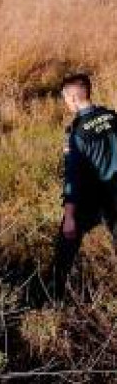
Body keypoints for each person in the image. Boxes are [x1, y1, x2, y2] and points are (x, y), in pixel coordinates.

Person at [52, 74, 117, 300]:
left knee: (65, 251)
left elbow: (73, 177)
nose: (66, 103)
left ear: (73, 98)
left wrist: (69, 216)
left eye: (65, 99)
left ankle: (54, 296)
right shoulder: (111, 116)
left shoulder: (77, 133)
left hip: (90, 197)